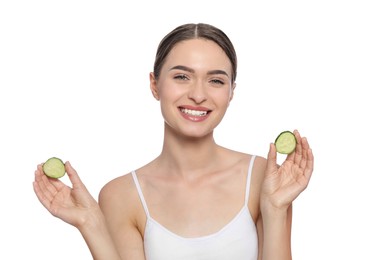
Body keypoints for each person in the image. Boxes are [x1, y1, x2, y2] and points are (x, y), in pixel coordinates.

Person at [33, 23, 314, 260]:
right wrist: (91, 224)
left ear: (231, 92)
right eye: (182, 76)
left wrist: (276, 209)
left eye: (215, 81)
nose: (198, 95)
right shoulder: (121, 195)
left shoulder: (264, 179)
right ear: (154, 85)